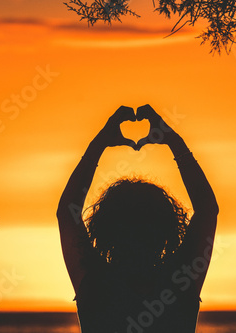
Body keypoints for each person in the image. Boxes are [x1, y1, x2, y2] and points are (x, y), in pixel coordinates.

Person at [57, 105, 219, 333]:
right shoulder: (180, 280)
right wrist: (173, 141)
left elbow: (67, 211)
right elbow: (207, 209)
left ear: (105, 229)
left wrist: (99, 144)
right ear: (167, 228)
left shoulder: (94, 281)